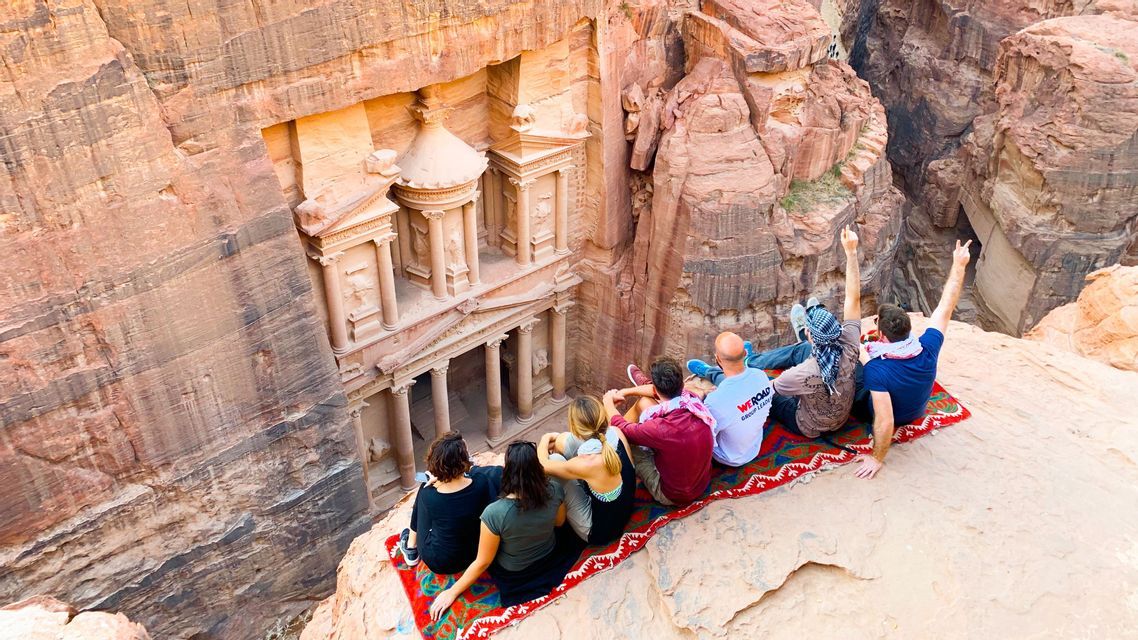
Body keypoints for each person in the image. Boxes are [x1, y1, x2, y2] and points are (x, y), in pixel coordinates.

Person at [695, 226, 862, 439]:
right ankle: (753, 359)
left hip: (808, 426)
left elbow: (759, 391)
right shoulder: (848, 341)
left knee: (756, 386)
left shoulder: (800, 374)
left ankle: (715, 372)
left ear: (814, 337)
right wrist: (851, 252)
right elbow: (853, 298)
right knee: (800, 349)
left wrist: (726, 384)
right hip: (841, 417)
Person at [852, 239, 972, 479]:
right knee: (863, 356)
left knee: (850, 362)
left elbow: (885, 421)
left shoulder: (878, 369)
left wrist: (876, 458)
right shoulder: (927, 347)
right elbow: (945, 308)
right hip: (917, 411)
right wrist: (959, 265)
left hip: (888, 412)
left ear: (882, 335)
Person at [427, 441, 581, 621]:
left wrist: (452, 592)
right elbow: (559, 522)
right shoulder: (554, 489)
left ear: (507, 471)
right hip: (549, 553)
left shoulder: (494, 513)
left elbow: (483, 562)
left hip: (516, 571)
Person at [602, 357, 715, 506]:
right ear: (682, 385)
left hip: (673, 495)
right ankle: (645, 386)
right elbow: (655, 395)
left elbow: (621, 427)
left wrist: (607, 401)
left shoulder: (660, 429)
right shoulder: (692, 400)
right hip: (701, 483)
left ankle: (607, 469)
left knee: (619, 439)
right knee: (644, 402)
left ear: (655, 390)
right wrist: (626, 392)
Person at [537, 396, 637, 545]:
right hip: (626, 508)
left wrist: (545, 439)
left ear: (576, 428)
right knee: (564, 440)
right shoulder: (615, 432)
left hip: (600, 530)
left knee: (555, 460)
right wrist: (558, 438)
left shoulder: (587, 463)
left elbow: (543, 464)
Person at [398, 432, 502, 574]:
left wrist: (436, 480)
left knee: (424, 487)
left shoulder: (429, 495)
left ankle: (411, 548)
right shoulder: (481, 482)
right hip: (476, 553)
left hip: (440, 563)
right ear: (465, 460)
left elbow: (423, 521)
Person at [682, 332, 773, 466]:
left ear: (718, 359)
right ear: (745, 354)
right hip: (754, 446)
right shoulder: (761, 376)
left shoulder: (714, 402)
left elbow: (707, 439)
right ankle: (709, 371)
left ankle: (708, 372)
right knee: (729, 382)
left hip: (729, 457)